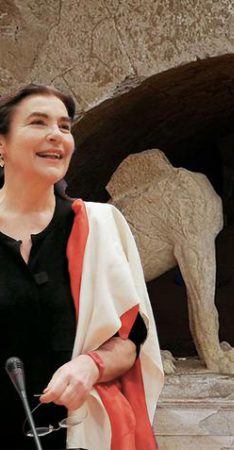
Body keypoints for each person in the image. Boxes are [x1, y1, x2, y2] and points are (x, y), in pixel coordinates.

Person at [0, 84, 164, 449]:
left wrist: (92, 365)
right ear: (2, 145)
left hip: (77, 436)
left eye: (64, 126)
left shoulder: (100, 228)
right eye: (38, 122)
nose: (56, 134)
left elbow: (130, 342)